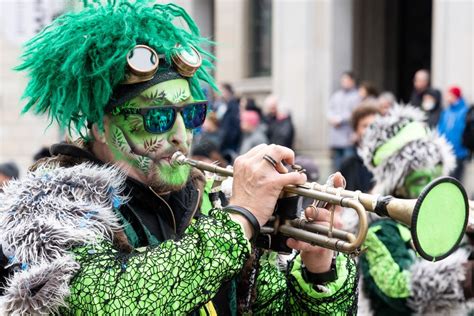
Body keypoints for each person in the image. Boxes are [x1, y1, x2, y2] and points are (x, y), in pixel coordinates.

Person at [0, 1, 358, 314]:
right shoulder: (47, 210)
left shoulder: (212, 203)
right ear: (99, 125)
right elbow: (118, 303)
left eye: (192, 115)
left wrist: (318, 267)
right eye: (157, 117)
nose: (180, 135)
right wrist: (240, 218)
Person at [357, 105, 474, 315]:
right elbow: (399, 290)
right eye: (421, 180)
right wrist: (467, 278)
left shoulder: (447, 219)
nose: (433, 187)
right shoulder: (380, 232)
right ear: (399, 184)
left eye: (436, 178)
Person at [339, 102, 379, 192]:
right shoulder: (349, 164)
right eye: (365, 126)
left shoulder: (387, 160)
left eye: (373, 125)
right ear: (356, 130)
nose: (370, 130)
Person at [327, 71, 361, 171]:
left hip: (348, 136)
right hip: (336, 136)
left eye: (346, 80)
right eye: (343, 80)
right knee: (337, 166)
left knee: (348, 165)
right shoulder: (336, 95)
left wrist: (340, 119)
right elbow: (330, 109)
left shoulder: (357, 96)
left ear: (352, 81)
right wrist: (332, 118)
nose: (344, 82)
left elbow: (355, 113)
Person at [437, 86, 470, 182]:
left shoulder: (465, 111)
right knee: (446, 179)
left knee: (456, 180)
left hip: (460, 151)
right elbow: (441, 129)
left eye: (449, 95)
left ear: (455, 96)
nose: (447, 97)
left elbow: (465, 131)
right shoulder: (446, 111)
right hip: (446, 151)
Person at [215, 83, 241, 158]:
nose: (217, 93)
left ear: (227, 91)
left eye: (220, 91)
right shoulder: (225, 105)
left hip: (229, 146)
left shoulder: (233, 106)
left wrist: (223, 143)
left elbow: (232, 128)